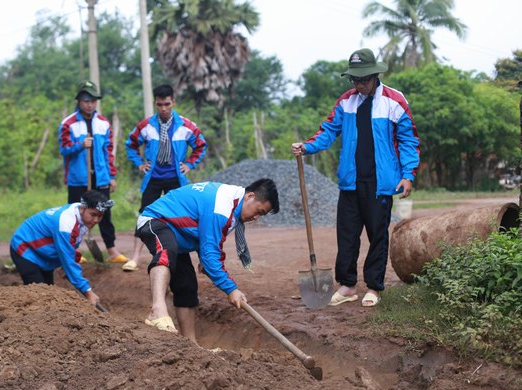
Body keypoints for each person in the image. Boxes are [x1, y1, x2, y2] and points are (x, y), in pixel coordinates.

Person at [291, 48, 420, 308]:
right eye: (355, 80)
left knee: (377, 237)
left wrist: (408, 175)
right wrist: (307, 146)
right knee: (347, 235)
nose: (359, 85)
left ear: (375, 76)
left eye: (363, 80)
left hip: (381, 183)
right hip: (350, 181)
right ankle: (348, 285)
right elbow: (328, 131)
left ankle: (373, 287)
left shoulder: (394, 101)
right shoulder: (346, 101)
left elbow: (409, 140)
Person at [138, 179, 279, 343]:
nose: (256, 218)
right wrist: (231, 289)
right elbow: (211, 254)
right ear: (250, 196)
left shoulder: (233, 204)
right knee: (166, 251)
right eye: (259, 212)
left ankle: (191, 344)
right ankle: (157, 309)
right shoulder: (223, 207)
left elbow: (208, 236)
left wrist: (205, 259)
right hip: (156, 220)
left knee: (187, 286)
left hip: (178, 234)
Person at [122, 84, 207, 272]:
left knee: (183, 216)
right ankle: (135, 257)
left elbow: (201, 145)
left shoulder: (186, 125)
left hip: (176, 178)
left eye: (167, 104)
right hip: (153, 177)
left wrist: (190, 164)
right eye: (160, 104)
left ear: (173, 102)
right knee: (144, 214)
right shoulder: (146, 126)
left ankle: (200, 259)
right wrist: (139, 163)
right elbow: (131, 144)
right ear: (155, 103)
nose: (163, 109)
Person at [59, 80, 128, 263]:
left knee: (104, 213)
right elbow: (64, 149)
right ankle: (73, 251)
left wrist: (111, 175)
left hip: (100, 177)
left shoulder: (103, 124)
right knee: (75, 214)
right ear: (79, 101)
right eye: (86, 100)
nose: (90, 104)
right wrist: (79, 146)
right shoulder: (69, 124)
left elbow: (108, 152)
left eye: (93, 101)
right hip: (78, 178)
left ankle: (112, 251)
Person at [9, 190, 114, 308]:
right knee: (39, 297)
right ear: (83, 207)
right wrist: (88, 291)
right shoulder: (66, 224)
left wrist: (67, 263)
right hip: (25, 249)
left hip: (43, 253)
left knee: (49, 293)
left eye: (100, 216)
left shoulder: (78, 213)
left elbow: (71, 248)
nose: (96, 220)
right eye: (93, 214)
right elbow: (68, 259)